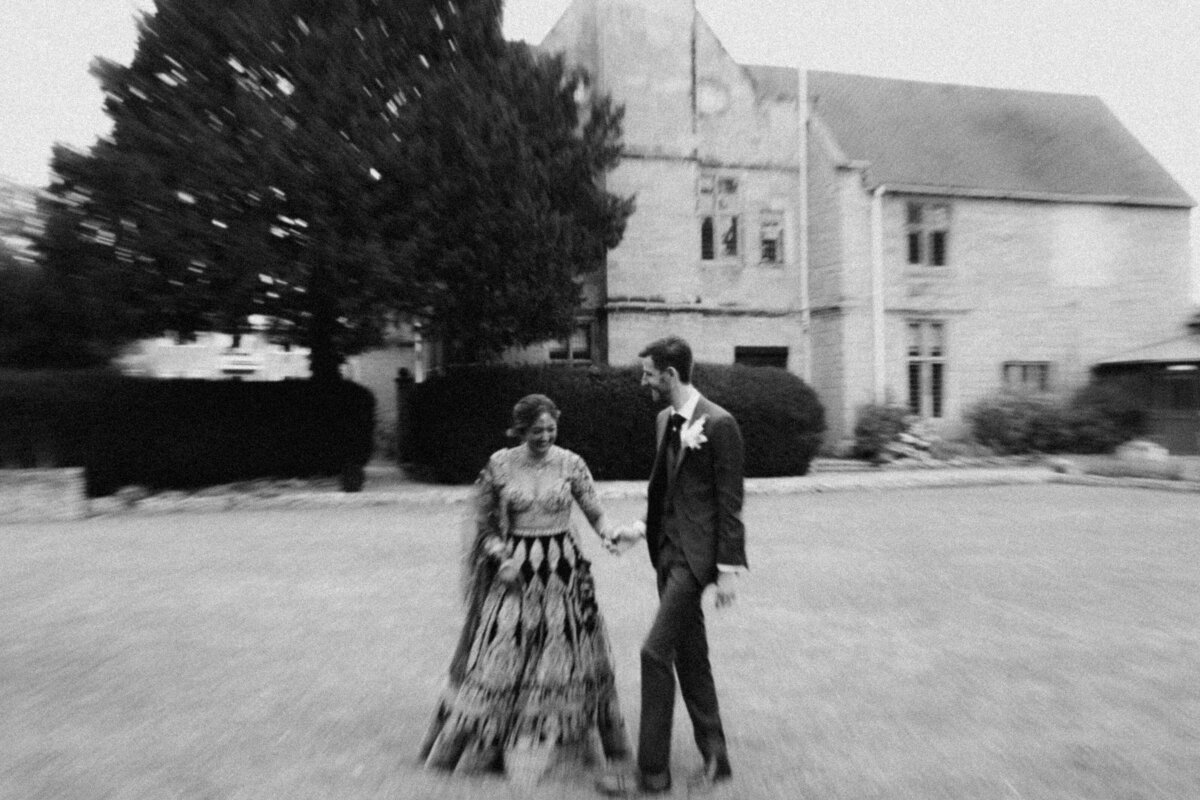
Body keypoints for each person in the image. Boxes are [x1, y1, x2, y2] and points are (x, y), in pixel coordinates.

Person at [419, 393, 631, 788]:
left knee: (567, 649)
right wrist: (501, 557)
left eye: (551, 429)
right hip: (514, 573)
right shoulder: (500, 465)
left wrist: (609, 534)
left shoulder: (572, 464)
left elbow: (594, 510)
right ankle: (490, 744)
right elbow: (483, 525)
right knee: (506, 649)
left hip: (563, 572)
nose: (545, 437)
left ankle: (561, 741)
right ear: (520, 430)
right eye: (536, 431)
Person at [598, 335, 748, 797]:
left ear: (670, 374)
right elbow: (666, 493)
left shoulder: (720, 425)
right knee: (689, 654)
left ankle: (651, 774)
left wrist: (725, 571)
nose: (643, 381)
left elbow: (729, 503)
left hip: (697, 560)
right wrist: (639, 530)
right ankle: (716, 756)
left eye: (648, 373)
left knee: (653, 651)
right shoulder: (665, 420)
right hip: (665, 553)